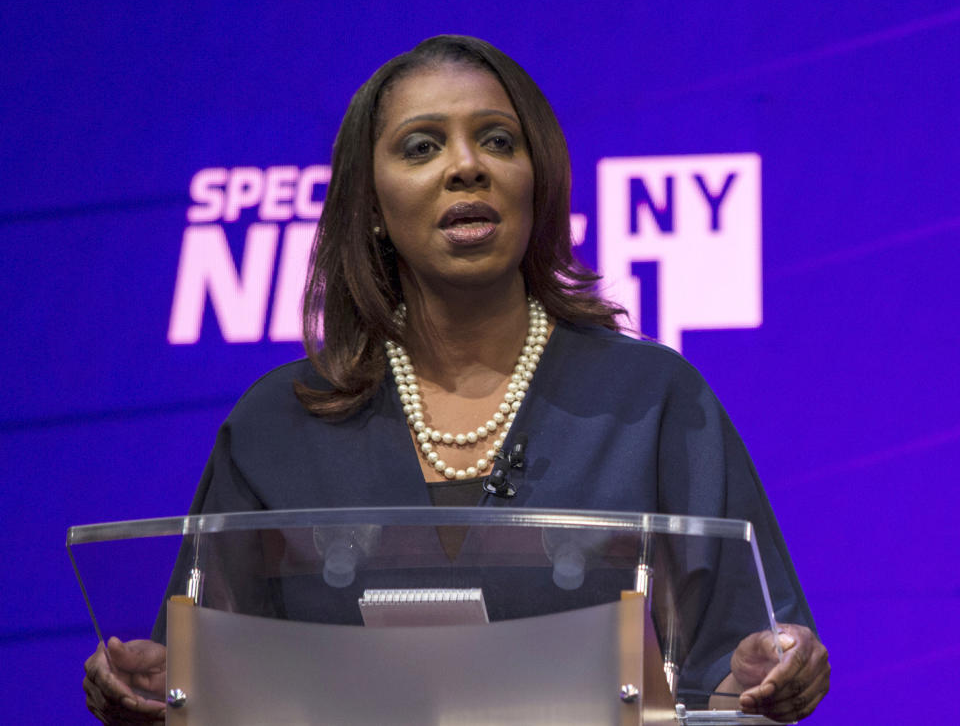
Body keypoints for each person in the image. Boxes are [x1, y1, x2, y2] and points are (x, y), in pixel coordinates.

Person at [83, 35, 830, 723]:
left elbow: (735, 678)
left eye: (498, 141)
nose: (466, 165)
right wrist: (146, 690)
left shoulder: (656, 401)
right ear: (372, 206)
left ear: (536, 181)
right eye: (421, 146)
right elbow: (204, 684)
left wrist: (769, 674)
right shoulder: (276, 426)